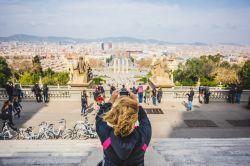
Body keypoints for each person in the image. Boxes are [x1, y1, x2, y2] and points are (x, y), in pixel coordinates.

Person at [96, 91, 152, 166]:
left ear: (114, 116)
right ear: (134, 116)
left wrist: (111, 100)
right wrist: (136, 102)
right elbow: (144, 120)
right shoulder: (143, 136)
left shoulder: (106, 135)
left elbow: (99, 119)